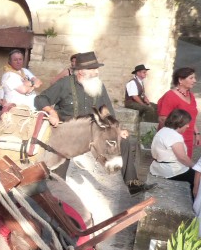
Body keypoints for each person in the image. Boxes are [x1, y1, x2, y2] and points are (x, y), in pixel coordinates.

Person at [34, 51, 154, 195]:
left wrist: (118, 129)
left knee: (124, 141)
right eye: (93, 69)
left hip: (93, 131)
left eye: (96, 69)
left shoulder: (98, 86)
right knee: (59, 162)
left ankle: (133, 184)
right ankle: (55, 193)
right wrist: (51, 112)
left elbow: (107, 111)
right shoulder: (64, 84)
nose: (97, 72)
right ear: (81, 72)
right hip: (68, 133)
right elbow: (40, 99)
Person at [150, 108, 196, 193]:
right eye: (187, 123)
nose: (188, 126)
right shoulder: (174, 136)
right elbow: (182, 158)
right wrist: (196, 167)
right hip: (171, 171)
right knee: (198, 178)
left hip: (158, 167)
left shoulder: (163, 131)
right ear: (180, 123)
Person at [157, 67, 199, 158]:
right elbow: (162, 119)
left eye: (194, 78)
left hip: (188, 138)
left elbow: (192, 117)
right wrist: (171, 138)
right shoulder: (170, 95)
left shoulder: (191, 96)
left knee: (184, 167)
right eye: (191, 78)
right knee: (173, 167)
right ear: (180, 80)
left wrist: (197, 133)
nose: (195, 81)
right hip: (174, 139)